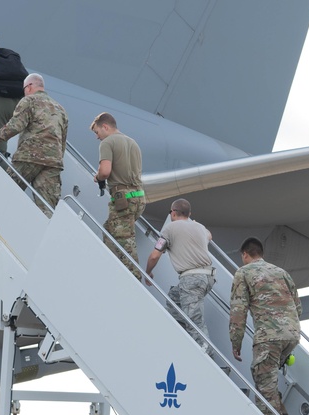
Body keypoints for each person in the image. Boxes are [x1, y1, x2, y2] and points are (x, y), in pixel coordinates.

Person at [229, 237, 302, 415]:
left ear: (245, 254)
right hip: (292, 335)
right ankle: (278, 406)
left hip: (269, 337)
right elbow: (298, 307)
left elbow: (239, 311)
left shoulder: (243, 273)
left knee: (263, 385)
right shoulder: (281, 272)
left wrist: (235, 342)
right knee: (267, 377)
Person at [0, 73, 68, 217]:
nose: (24, 92)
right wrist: (55, 157)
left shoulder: (29, 101)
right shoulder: (60, 109)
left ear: (30, 86)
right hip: (53, 161)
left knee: (7, 190)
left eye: (24, 88)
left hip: (30, 156)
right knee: (47, 208)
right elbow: (62, 141)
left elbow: (15, 125)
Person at [145, 199, 216, 353]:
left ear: (173, 213)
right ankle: (186, 337)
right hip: (207, 277)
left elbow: (154, 256)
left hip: (191, 278)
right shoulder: (200, 227)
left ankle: (205, 353)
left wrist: (148, 272)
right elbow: (209, 236)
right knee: (173, 299)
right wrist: (195, 225)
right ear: (189, 214)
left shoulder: (169, 229)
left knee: (194, 320)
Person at [91, 112, 145, 279]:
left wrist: (98, 176)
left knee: (124, 241)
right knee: (109, 230)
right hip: (139, 197)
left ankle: (134, 279)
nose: (97, 137)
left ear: (105, 127)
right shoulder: (132, 142)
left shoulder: (108, 142)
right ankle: (112, 271)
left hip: (123, 199)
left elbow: (105, 171)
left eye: (97, 132)